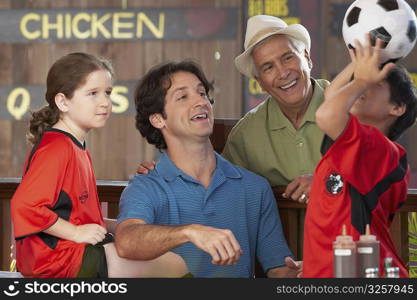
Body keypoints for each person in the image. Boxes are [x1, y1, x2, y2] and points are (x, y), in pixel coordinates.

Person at [115, 60, 301, 278]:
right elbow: (127, 241)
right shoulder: (146, 185)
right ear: (157, 119)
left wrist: (303, 274)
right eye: (183, 97)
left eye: (202, 93)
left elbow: (279, 270)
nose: (200, 102)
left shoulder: (254, 188)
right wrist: (190, 232)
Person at [10, 53, 188, 278]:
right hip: (59, 262)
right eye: (93, 93)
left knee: (160, 253)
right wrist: (75, 232)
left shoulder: (74, 145)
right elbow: (25, 206)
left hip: (70, 255)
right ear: (63, 102)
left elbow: (74, 214)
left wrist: (121, 227)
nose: (104, 102)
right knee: (175, 266)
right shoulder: (57, 148)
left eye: (107, 93)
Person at [302, 35, 417, 278]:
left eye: (374, 83)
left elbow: (327, 114)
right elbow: (332, 97)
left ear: (397, 107)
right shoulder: (350, 144)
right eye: (360, 81)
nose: (361, 85)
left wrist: (362, 77)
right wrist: (360, 61)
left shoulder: (386, 153)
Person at [222, 15, 331, 203]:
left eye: (288, 57)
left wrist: (329, 181)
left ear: (306, 57)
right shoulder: (245, 135)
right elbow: (222, 190)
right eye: (268, 67)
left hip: (352, 232)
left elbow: (383, 170)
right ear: (260, 83)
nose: (283, 73)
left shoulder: (351, 106)